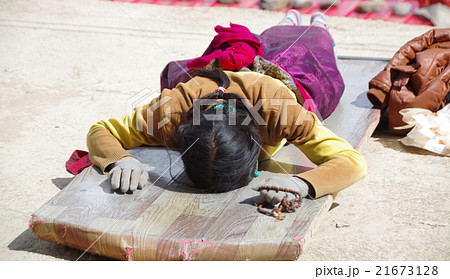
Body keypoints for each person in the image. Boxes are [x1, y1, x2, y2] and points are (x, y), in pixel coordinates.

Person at [86, 11, 366, 206]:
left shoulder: (279, 109)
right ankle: (289, 20)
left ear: (257, 141)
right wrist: (119, 159)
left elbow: (352, 162)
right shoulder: (171, 113)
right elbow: (102, 130)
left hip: (283, 79)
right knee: (279, 39)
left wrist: (303, 185)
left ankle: (315, 25)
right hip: (223, 79)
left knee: (311, 47)